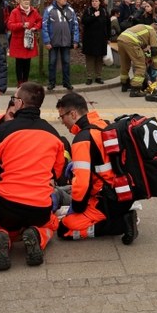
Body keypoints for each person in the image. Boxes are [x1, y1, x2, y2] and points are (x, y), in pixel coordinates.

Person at [0, 83, 68, 271]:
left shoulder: (4, 131)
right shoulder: (52, 133)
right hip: (39, 207)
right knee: (51, 223)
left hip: (7, 206)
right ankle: (37, 234)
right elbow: (57, 173)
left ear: (19, 103)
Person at [55, 92, 139, 243]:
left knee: (65, 228)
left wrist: (77, 208)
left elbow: (81, 184)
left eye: (62, 117)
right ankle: (122, 215)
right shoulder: (103, 124)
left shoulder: (82, 139)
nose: (62, 122)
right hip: (122, 192)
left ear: (73, 114)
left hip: (105, 200)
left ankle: (121, 224)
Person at [42, 0, 79, 92]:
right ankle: (51, 83)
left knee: (66, 62)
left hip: (66, 41)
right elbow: (44, 26)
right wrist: (47, 41)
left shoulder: (70, 10)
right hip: (53, 42)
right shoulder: (49, 10)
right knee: (52, 62)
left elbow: (75, 25)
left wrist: (75, 40)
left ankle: (67, 82)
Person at [7, 0, 42, 88]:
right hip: (18, 41)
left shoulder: (34, 11)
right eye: (24, 0)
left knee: (27, 62)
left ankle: (25, 80)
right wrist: (21, 25)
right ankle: (19, 81)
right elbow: (10, 25)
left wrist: (35, 27)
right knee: (19, 62)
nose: (26, 1)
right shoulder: (15, 12)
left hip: (29, 40)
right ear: (20, 1)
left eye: (28, 0)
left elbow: (40, 21)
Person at [118, 22, 157, 96]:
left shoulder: (142, 27)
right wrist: (156, 67)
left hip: (120, 39)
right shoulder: (153, 31)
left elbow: (141, 44)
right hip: (131, 43)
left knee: (125, 64)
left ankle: (124, 84)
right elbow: (154, 51)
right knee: (140, 66)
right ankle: (135, 89)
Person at [81, 0, 110, 85]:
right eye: (93, 1)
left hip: (101, 39)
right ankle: (89, 77)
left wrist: (108, 38)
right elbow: (84, 21)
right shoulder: (88, 11)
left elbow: (108, 25)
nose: (94, 2)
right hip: (90, 39)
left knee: (99, 58)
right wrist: (94, 16)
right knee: (90, 58)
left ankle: (98, 76)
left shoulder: (104, 11)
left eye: (96, 1)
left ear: (100, 2)